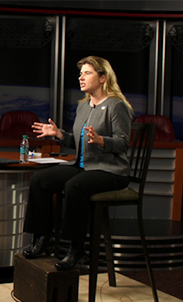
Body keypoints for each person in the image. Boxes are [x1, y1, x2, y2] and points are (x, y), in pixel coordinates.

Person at [23, 56, 133, 271]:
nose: (81, 78)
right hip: (84, 166)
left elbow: (123, 144)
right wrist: (58, 134)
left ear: (103, 78)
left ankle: (76, 248)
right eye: (81, 73)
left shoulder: (116, 106)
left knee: (75, 186)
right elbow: (78, 142)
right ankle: (43, 238)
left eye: (87, 73)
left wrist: (102, 141)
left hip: (111, 171)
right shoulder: (83, 107)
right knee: (40, 180)